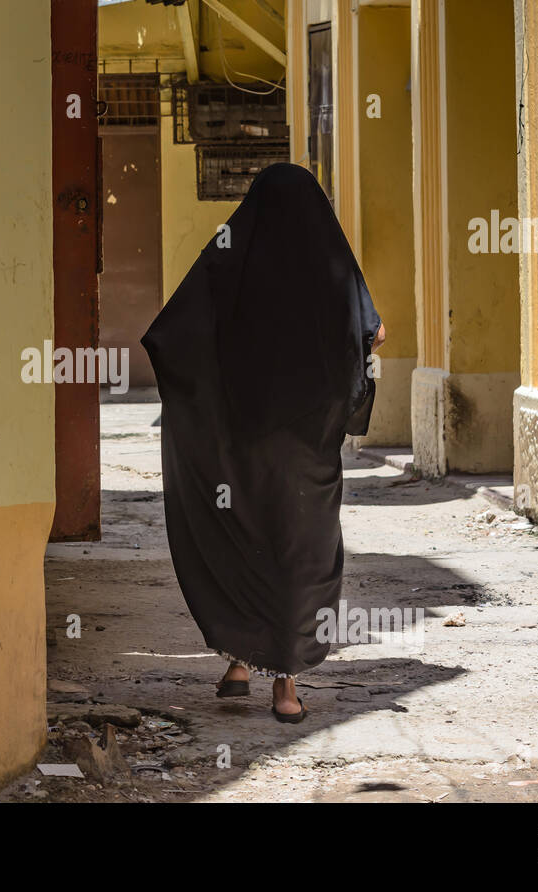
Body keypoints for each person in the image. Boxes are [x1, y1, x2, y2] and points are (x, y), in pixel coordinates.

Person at [141, 162, 384, 723]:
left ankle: (238, 664)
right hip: (306, 451)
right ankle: (286, 686)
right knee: (300, 555)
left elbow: (174, 333)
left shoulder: (232, 254)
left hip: (241, 448)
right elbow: (374, 331)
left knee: (242, 540)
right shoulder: (327, 260)